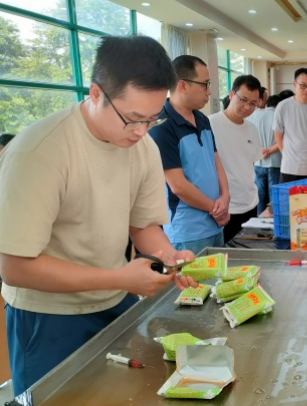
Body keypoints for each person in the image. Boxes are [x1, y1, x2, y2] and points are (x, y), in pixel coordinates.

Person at [0, 35, 197, 395]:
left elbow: (143, 225)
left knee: (123, 395)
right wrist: (119, 278)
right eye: (132, 119)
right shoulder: (39, 152)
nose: (141, 132)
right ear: (95, 93)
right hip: (49, 316)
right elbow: (15, 267)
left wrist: (169, 258)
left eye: (152, 120)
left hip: (116, 301)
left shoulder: (143, 147)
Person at [149, 55, 230, 252]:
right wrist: (215, 209)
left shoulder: (202, 119)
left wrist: (225, 197)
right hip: (188, 232)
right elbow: (178, 186)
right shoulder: (162, 125)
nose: (209, 92)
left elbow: (215, 160)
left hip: (215, 224)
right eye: (205, 84)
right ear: (183, 85)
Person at [210, 75, 263, 243]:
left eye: (253, 103)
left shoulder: (252, 129)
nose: (247, 107)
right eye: (243, 100)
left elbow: (251, 163)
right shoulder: (210, 124)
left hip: (250, 203)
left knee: (248, 254)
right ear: (231, 94)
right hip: (224, 208)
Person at [273, 68, 307, 183]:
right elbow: (278, 134)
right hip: (290, 167)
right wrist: (286, 154)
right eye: (303, 85)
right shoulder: (283, 106)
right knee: (288, 195)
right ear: (295, 84)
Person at [249, 94, 282, 215]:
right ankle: (273, 220)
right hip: (275, 162)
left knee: (260, 195)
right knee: (274, 196)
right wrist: (269, 150)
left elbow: (248, 139)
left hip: (258, 162)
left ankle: (258, 219)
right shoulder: (278, 117)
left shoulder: (254, 116)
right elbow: (282, 140)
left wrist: (260, 150)